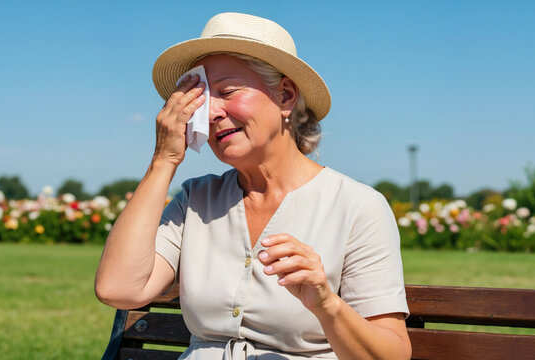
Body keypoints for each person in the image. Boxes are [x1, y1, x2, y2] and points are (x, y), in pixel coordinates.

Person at [95, 12, 411, 360]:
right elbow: (118, 289)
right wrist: (163, 162)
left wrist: (326, 304)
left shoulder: (357, 206)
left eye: (227, 91)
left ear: (286, 96)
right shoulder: (196, 199)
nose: (211, 112)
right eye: (199, 99)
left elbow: (391, 354)